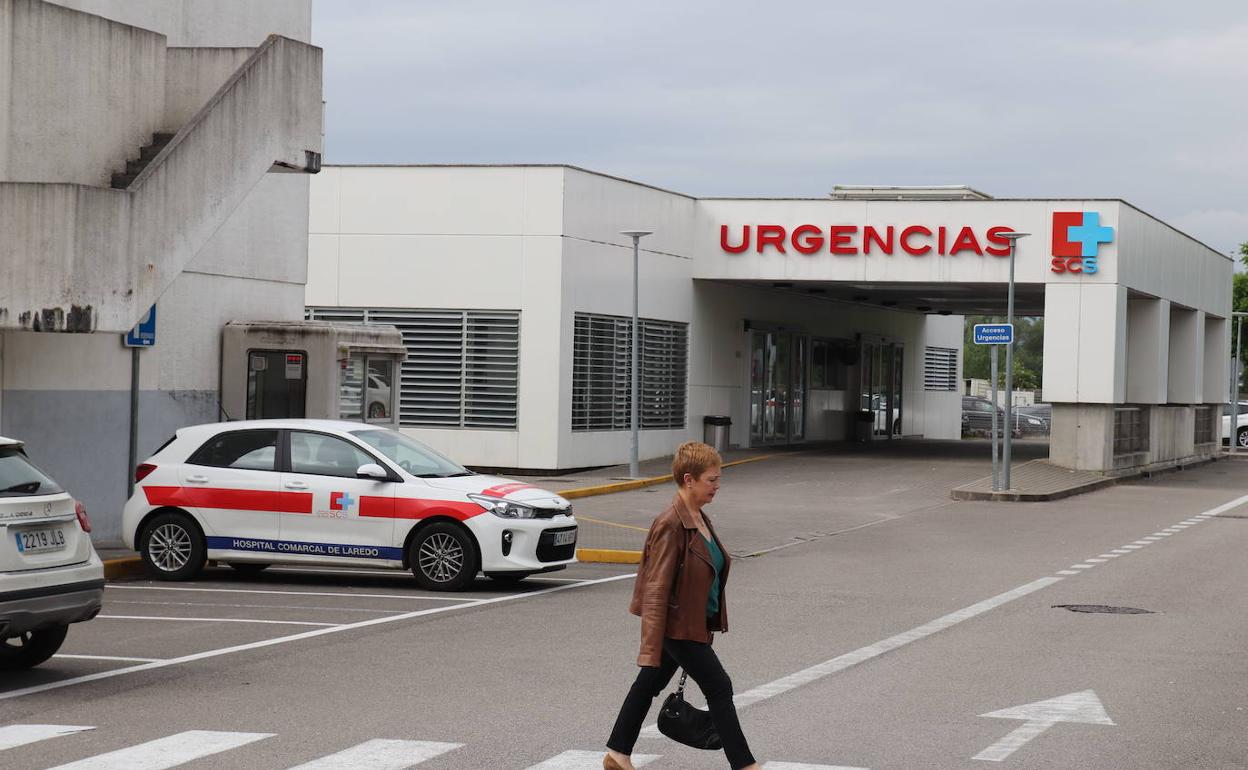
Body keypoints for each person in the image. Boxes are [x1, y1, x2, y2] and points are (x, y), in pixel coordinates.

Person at [604, 441, 760, 770]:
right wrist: (649, 646)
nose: (717, 486)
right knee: (719, 686)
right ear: (689, 479)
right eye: (711, 480)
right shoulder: (671, 524)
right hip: (678, 626)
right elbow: (656, 589)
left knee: (648, 684)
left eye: (718, 479)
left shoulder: (698, 517)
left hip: (691, 623)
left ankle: (617, 753)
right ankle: (745, 765)